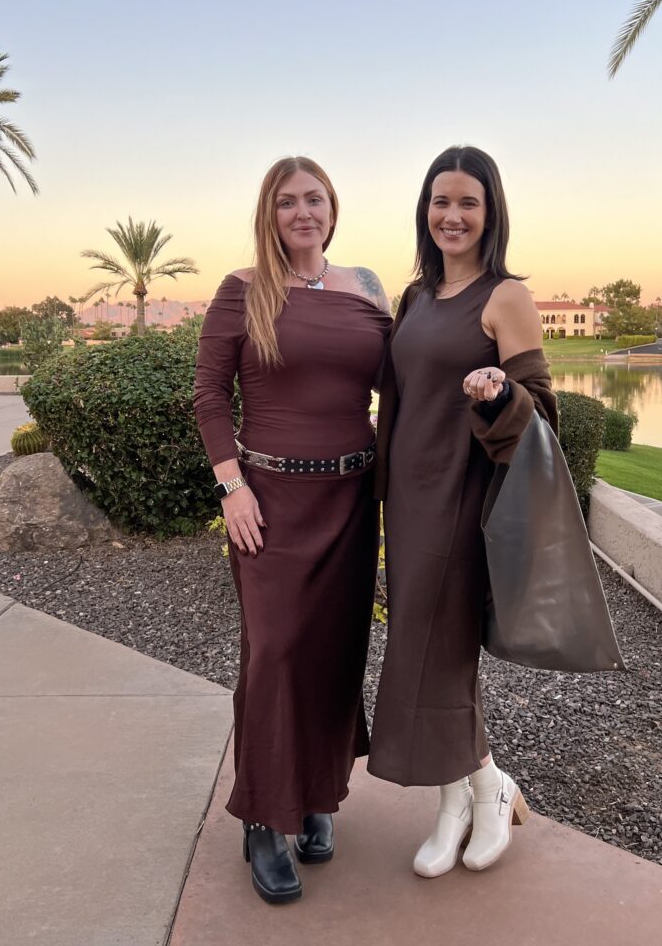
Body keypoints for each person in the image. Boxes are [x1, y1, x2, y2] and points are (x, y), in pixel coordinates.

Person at [193, 156, 390, 904]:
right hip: (268, 501)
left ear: (332, 209)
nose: (302, 212)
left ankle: (314, 795)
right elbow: (210, 395)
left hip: (350, 499)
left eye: (314, 199)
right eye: (287, 202)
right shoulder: (242, 291)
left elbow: (402, 382)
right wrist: (232, 486)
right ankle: (261, 822)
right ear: (269, 214)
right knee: (273, 654)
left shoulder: (366, 288)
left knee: (332, 654)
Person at [368, 145, 558, 877]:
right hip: (407, 500)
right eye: (440, 201)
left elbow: (541, 412)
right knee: (423, 645)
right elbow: (397, 397)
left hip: (462, 497)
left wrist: (498, 391)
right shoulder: (412, 300)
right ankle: (479, 790)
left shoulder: (504, 295)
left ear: (489, 212)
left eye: (467, 203)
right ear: (425, 209)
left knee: (437, 651)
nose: (452, 215)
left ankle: (466, 801)